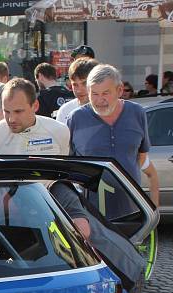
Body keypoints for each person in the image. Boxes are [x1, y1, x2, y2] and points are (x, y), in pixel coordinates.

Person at [68, 64, 160, 208]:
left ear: (120, 90)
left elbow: (141, 158)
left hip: (131, 210)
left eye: (105, 93)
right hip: (90, 214)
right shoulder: (75, 119)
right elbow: (68, 166)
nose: (99, 100)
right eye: (94, 94)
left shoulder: (137, 113)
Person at [0, 78, 70, 155]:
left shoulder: (60, 131)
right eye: (6, 111)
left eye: (18, 111)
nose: (11, 119)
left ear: (35, 106)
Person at [55, 58, 98, 124]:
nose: (79, 90)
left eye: (84, 83)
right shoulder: (65, 111)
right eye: (75, 85)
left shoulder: (108, 108)